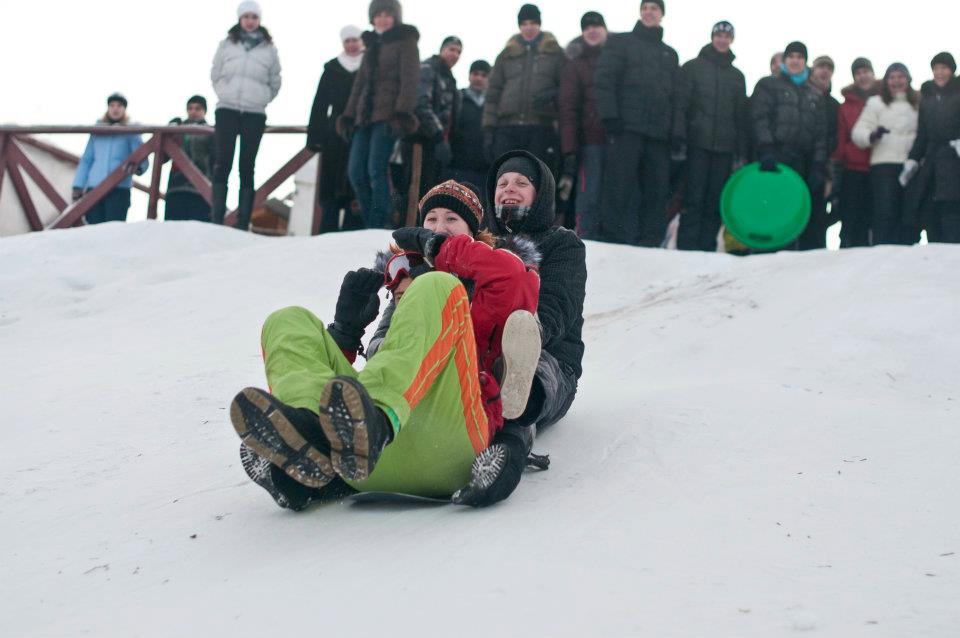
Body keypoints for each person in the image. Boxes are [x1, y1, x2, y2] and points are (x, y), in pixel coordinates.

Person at [231, 179, 544, 510]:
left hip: (449, 441)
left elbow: (514, 277)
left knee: (436, 285)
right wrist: (346, 333)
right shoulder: (406, 286)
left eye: (452, 220)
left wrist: (439, 250)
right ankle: (312, 439)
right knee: (288, 320)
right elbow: (347, 382)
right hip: (364, 464)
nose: (440, 226)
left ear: (474, 234)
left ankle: (375, 423)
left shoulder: (475, 294)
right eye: (431, 220)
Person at [485, 150, 587, 459]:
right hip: (486, 350)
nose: (509, 188)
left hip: (550, 358)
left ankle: (512, 440)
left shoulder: (561, 244)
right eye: (502, 183)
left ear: (540, 194)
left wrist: (520, 338)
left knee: (529, 369)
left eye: (520, 182)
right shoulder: (482, 246)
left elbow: (558, 307)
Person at [594, 0, 685, 247]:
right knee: (619, 186)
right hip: (626, 129)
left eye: (654, 8)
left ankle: (650, 241)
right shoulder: (621, 42)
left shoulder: (670, 53)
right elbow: (604, 80)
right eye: (645, 8)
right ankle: (613, 238)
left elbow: (677, 97)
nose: (649, 12)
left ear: (662, 15)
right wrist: (610, 116)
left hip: (659, 134)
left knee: (656, 191)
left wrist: (677, 132)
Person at [338, 0, 420, 230]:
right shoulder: (371, 45)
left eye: (388, 15)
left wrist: (401, 113)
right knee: (355, 172)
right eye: (378, 15)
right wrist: (348, 116)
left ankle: (380, 222)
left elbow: (410, 80)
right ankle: (371, 221)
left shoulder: (406, 40)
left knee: (376, 169)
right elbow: (359, 85)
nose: (383, 19)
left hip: (389, 116)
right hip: (365, 117)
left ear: (395, 17)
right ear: (372, 18)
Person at [677, 20, 749, 252]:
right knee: (693, 197)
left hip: (724, 148)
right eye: (718, 35)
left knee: (715, 199)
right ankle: (686, 247)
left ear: (731, 40)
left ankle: (708, 248)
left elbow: (741, 117)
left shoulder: (737, 76)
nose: (722, 39)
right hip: (697, 143)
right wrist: (680, 138)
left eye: (726, 36)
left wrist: (741, 153)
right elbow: (682, 106)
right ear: (712, 37)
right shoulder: (693, 67)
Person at [209, 1, 282, 230]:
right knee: (223, 162)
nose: (250, 20)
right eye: (246, 16)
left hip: (254, 112)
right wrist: (224, 92)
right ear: (240, 19)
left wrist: (261, 99)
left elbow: (276, 80)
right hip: (227, 109)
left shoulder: (270, 49)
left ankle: (242, 221)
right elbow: (215, 72)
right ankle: (216, 218)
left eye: (254, 17)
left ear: (259, 20)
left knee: (247, 165)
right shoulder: (227, 44)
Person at [751, 41, 828, 249]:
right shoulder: (769, 85)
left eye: (800, 57)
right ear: (785, 60)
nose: (795, 61)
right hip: (775, 157)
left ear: (805, 62)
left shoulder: (814, 94)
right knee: (770, 208)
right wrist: (765, 149)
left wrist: (818, 166)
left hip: (802, 161)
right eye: (791, 56)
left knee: (795, 212)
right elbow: (760, 119)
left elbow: (821, 135)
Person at [483, 4, 565, 166]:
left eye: (533, 23)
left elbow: (567, 87)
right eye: (524, 23)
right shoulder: (505, 54)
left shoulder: (555, 53)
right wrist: (489, 129)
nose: (528, 27)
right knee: (505, 173)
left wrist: (552, 95)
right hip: (507, 127)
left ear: (539, 24)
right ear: (519, 25)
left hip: (541, 127)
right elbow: (493, 93)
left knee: (536, 176)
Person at [852, 62, 919, 245]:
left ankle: (909, 252)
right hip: (884, 164)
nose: (896, 81)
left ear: (908, 79)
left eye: (900, 77)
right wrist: (872, 135)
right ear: (886, 81)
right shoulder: (876, 103)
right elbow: (858, 132)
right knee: (885, 211)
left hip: (911, 165)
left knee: (909, 213)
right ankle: (883, 250)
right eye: (892, 77)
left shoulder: (918, 103)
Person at [307, 25, 365, 233]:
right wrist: (315, 135)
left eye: (354, 41)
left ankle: (352, 228)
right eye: (347, 41)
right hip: (335, 131)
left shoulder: (368, 67)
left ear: (361, 42)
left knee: (354, 179)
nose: (351, 45)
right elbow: (320, 103)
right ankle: (327, 230)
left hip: (360, 128)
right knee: (330, 183)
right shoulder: (332, 67)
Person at [559, 11, 608, 240]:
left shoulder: (615, 57)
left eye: (597, 26)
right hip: (589, 139)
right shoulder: (575, 64)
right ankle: (587, 237)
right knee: (589, 193)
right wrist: (570, 148)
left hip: (619, 140)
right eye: (587, 27)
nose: (592, 30)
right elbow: (568, 108)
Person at [903, 52, 960, 243]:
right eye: (936, 68)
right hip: (932, 159)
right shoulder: (927, 96)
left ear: (951, 71)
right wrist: (912, 159)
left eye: (944, 68)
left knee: (951, 207)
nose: (940, 72)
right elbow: (922, 134)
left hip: (954, 159)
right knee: (929, 207)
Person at [72, 92, 149, 225]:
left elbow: (141, 155)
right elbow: (87, 159)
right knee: (93, 228)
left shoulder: (131, 131)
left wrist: (138, 167)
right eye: (112, 105)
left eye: (119, 105)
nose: (115, 109)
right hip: (94, 187)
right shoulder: (97, 130)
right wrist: (78, 185)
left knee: (113, 230)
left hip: (119, 188)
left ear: (124, 109)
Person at [405, 36, 462, 204]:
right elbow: (421, 104)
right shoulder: (428, 68)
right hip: (421, 139)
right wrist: (438, 134)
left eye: (459, 52)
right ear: (442, 49)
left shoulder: (449, 78)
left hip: (437, 142)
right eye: (452, 49)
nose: (455, 54)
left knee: (431, 190)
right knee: (416, 189)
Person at [833, 58, 879, 247]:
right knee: (851, 220)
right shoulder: (846, 106)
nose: (863, 76)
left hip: (879, 168)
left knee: (875, 218)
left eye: (866, 71)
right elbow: (841, 138)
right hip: (853, 170)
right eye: (858, 73)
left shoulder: (884, 100)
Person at [801, 55, 840, 250]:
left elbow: (834, 139)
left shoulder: (834, 105)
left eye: (829, 68)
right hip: (799, 162)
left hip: (821, 166)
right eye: (821, 67)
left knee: (817, 216)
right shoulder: (800, 94)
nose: (824, 71)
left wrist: (829, 175)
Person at [165, 95, 214, 222]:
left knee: (198, 234)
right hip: (176, 187)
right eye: (190, 108)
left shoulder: (210, 132)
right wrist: (169, 131)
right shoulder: (178, 128)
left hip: (201, 190)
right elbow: (162, 158)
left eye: (198, 108)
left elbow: (217, 160)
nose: (193, 112)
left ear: (204, 111)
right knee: (172, 231)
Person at [448, 60, 492, 187]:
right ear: (469, 76)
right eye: (475, 74)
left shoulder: (492, 103)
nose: (479, 78)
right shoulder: (458, 98)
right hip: (459, 164)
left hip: (484, 166)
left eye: (484, 75)